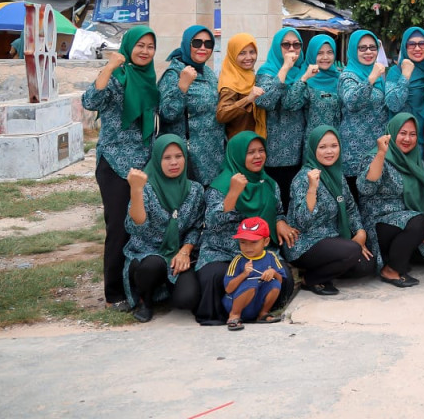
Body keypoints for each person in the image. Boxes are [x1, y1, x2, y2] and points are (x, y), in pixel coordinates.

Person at [83, 25, 159, 311]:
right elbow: (90, 101)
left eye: (150, 46)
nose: (144, 51)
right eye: (139, 45)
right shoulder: (117, 76)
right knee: (118, 228)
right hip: (115, 164)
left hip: (144, 165)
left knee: (142, 227)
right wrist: (110, 66)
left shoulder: (149, 78)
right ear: (128, 47)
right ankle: (115, 292)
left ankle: (139, 287)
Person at [194, 132, 297, 325]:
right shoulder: (220, 186)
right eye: (250, 152)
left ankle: (257, 312)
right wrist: (233, 193)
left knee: (284, 279)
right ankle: (232, 313)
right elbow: (212, 223)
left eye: (261, 151)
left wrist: (280, 221)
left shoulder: (268, 183)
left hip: (257, 251)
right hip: (222, 250)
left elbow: (278, 211)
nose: (257, 156)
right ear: (237, 155)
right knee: (214, 278)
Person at [358, 113, 424, 287]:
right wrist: (381, 154)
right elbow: (365, 188)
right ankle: (391, 269)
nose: (407, 139)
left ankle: (400, 253)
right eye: (402, 133)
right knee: (416, 222)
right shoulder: (377, 157)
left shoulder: (415, 159)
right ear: (392, 133)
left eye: (412, 134)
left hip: (410, 220)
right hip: (381, 222)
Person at [122, 134, 204, 323]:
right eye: (167, 158)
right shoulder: (146, 187)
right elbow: (137, 226)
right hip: (147, 253)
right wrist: (136, 191)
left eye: (179, 156)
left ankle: (167, 291)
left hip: (177, 255)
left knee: (187, 299)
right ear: (157, 159)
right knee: (153, 265)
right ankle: (145, 300)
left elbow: (196, 227)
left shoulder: (195, 190)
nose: (173, 162)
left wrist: (185, 251)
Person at [285, 126, 373, 295]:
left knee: (366, 264)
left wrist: (361, 233)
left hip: (332, 237)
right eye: (322, 147)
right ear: (312, 149)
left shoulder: (337, 175)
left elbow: (350, 208)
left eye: (334, 146)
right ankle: (309, 279)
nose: (329, 151)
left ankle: (329, 267)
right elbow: (303, 221)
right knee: (352, 251)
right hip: (306, 243)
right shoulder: (304, 178)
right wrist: (312, 188)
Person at [256, 28, 314, 212]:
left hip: (302, 149)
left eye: (296, 44)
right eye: (286, 44)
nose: (292, 49)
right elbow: (265, 101)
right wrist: (285, 68)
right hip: (276, 152)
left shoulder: (306, 70)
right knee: (278, 203)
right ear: (277, 46)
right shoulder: (267, 71)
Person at [157, 25, 223, 185]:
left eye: (208, 44)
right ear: (187, 44)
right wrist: (182, 87)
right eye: (197, 43)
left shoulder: (207, 72)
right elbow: (167, 114)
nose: (203, 48)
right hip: (189, 158)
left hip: (213, 157)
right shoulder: (174, 74)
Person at [337, 29, 389, 192]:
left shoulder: (380, 74)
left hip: (377, 147)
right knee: (355, 196)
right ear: (353, 50)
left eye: (372, 47)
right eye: (362, 48)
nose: (368, 52)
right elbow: (352, 102)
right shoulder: (348, 76)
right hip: (354, 152)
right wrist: (370, 79)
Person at [222, 217, 287, 330]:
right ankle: (234, 315)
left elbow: (281, 280)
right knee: (251, 284)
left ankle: (263, 313)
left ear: (266, 242)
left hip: (256, 303)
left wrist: (273, 272)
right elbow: (228, 289)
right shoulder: (238, 260)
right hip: (238, 303)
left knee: (274, 284)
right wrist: (244, 275)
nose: (248, 247)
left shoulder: (271, 256)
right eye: (243, 242)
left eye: (253, 242)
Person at [384, 27, 424, 152]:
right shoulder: (396, 72)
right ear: (405, 47)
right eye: (411, 44)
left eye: (422, 43)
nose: (417, 48)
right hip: (403, 141)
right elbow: (393, 104)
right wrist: (405, 76)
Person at [216, 33, 266, 139]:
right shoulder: (230, 82)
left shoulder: (249, 75)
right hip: (239, 141)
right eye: (242, 53)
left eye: (252, 52)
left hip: (252, 139)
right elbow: (221, 114)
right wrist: (247, 99)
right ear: (233, 54)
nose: (248, 57)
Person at [303, 34, 343, 136]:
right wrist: (304, 79)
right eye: (319, 53)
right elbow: (290, 104)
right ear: (312, 54)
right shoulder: (305, 80)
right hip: (314, 142)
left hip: (338, 142)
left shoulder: (341, 78)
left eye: (330, 52)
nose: (325, 57)